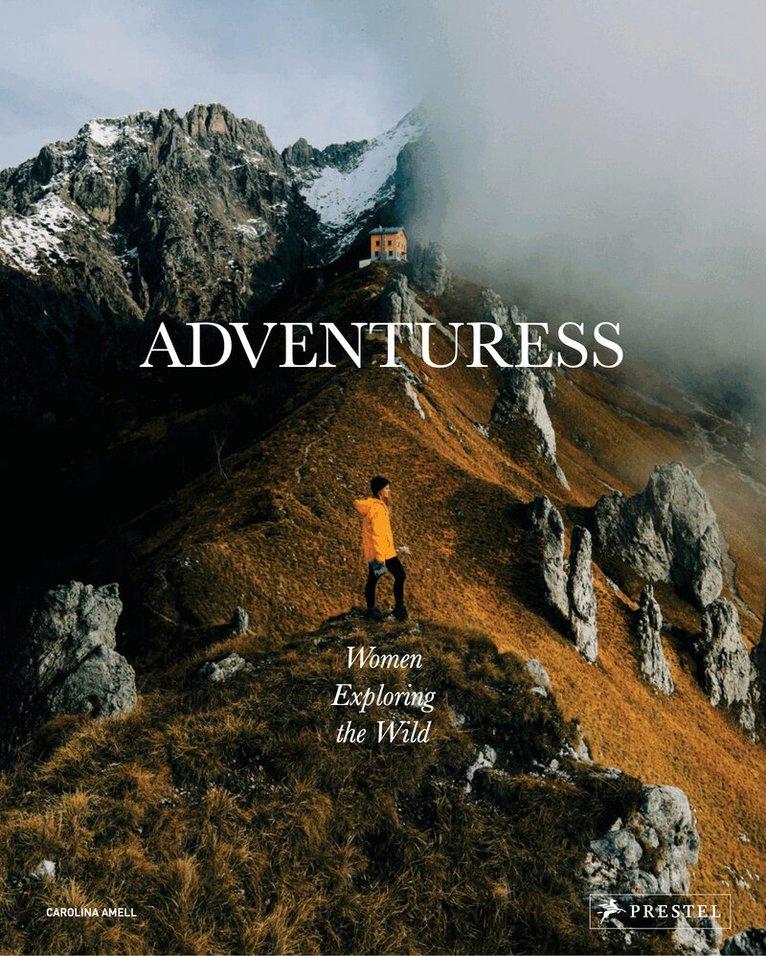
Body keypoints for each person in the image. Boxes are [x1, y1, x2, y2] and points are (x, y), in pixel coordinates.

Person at [354, 476, 408, 621]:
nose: (389, 491)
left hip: (386, 551)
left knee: (379, 578)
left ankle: (389, 608)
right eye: (387, 488)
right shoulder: (376, 509)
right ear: (379, 491)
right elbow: (377, 534)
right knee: (381, 578)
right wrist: (379, 557)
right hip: (381, 553)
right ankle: (389, 609)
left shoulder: (379, 506)